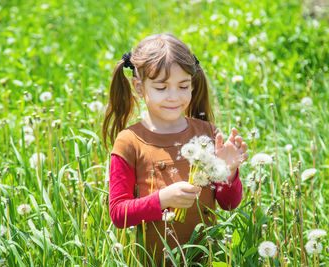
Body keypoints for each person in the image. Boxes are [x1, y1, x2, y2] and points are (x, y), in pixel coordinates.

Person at [103, 33, 248, 265]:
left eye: (183, 86)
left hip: (205, 259)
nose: (174, 97)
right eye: (161, 88)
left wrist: (228, 172)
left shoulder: (207, 133)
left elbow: (228, 204)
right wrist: (161, 200)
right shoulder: (129, 142)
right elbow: (119, 214)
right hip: (153, 261)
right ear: (139, 87)